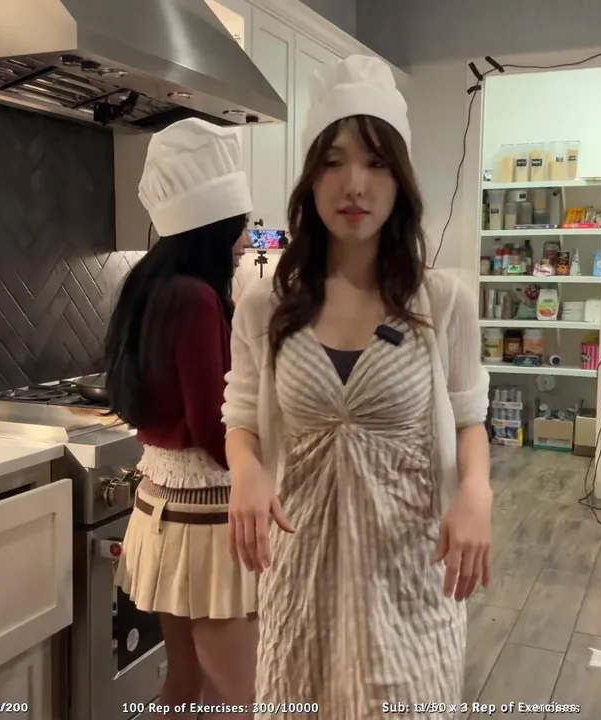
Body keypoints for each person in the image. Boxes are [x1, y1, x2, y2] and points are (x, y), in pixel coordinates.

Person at [222, 54, 493, 716]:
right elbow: (242, 415)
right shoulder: (263, 305)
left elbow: (469, 418)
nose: (355, 184)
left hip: (409, 581)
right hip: (301, 583)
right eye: (334, 161)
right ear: (311, 178)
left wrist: (476, 494)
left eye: (375, 163)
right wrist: (246, 471)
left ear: (400, 180)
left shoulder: (443, 303)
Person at [104, 118, 255, 718]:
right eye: (242, 223)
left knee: (185, 688)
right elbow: (219, 434)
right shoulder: (195, 298)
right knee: (242, 698)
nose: (247, 236)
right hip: (205, 523)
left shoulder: (151, 285)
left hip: (167, 513)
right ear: (217, 226)